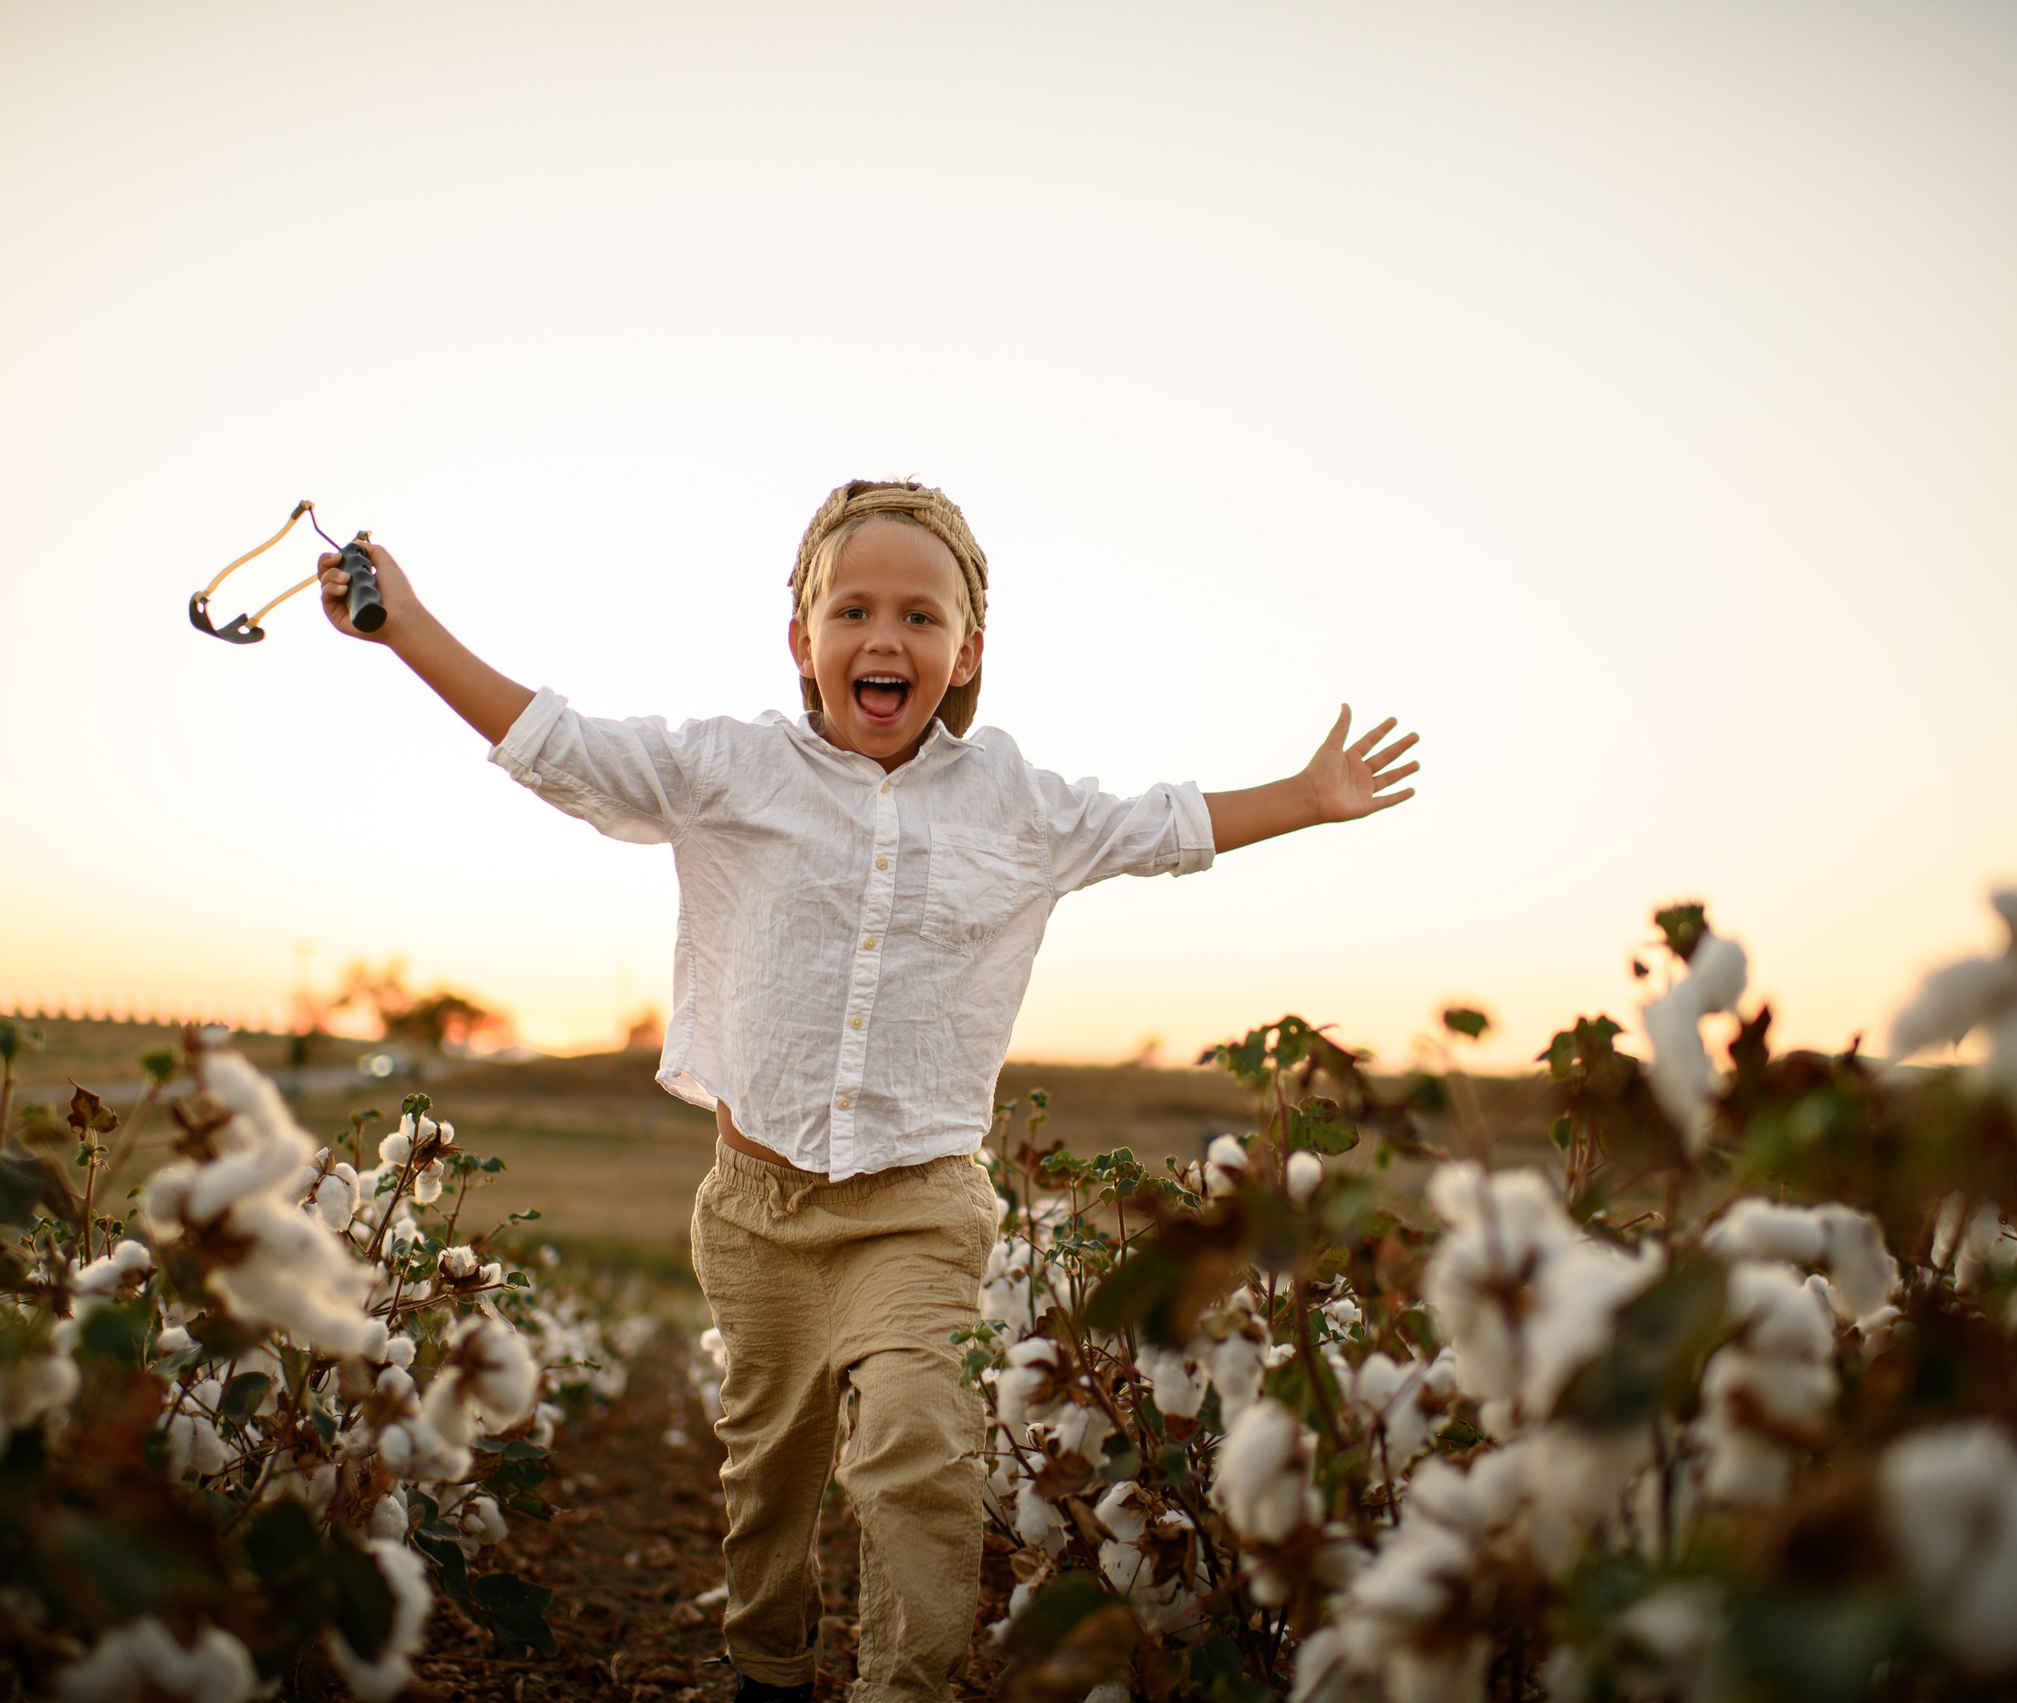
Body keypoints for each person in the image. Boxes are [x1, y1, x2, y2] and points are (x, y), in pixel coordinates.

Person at [315, 479, 1420, 1703]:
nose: (883, 638)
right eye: (851, 610)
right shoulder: (724, 769)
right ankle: (769, 1667)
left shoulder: (1018, 802)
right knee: (767, 1467)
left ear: (965, 651)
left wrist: (1307, 799)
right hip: (754, 1204)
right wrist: (405, 627)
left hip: (920, 1203)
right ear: (803, 636)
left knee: (917, 1448)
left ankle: (903, 1685)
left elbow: (1159, 823)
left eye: (920, 615)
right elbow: (559, 745)